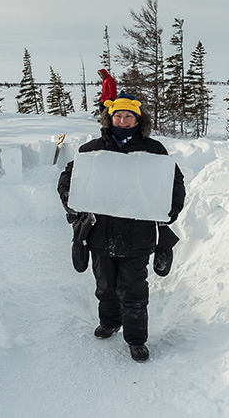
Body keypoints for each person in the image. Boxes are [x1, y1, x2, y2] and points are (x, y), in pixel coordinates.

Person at [57, 91, 185, 362]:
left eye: (129, 116)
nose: (123, 120)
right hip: (99, 232)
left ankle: (136, 339)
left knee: (133, 288)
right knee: (105, 284)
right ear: (109, 117)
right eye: (118, 115)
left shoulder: (153, 150)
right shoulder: (92, 150)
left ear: (138, 120)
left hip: (137, 234)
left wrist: (170, 208)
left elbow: (173, 182)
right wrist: (70, 197)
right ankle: (111, 321)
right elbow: (69, 176)